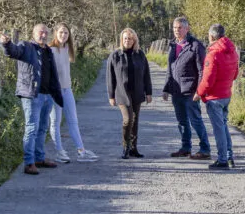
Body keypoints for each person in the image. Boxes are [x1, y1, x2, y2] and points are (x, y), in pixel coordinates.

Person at [0, 24, 64, 175]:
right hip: (31, 95)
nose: (43, 35)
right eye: (41, 32)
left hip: (47, 96)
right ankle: (29, 163)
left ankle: (39, 158)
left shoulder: (48, 50)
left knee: (42, 128)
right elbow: (13, 52)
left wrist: (56, 94)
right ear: (34, 33)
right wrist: (7, 44)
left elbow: (53, 74)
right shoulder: (26, 46)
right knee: (32, 128)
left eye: (46, 33)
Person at [48, 23, 99, 163]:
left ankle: (81, 151)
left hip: (67, 90)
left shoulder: (68, 48)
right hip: (54, 92)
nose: (63, 35)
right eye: (61, 32)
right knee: (55, 122)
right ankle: (59, 151)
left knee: (73, 121)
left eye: (66, 33)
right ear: (55, 33)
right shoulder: (50, 50)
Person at [162, 16, 210, 159]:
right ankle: (185, 148)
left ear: (187, 28)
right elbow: (170, 69)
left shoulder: (196, 45)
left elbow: (202, 71)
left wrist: (199, 91)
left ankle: (205, 149)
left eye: (180, 28)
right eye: (175, 28)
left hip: (191, 92)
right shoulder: (172, 46)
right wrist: (166, 88)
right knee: (181, 122)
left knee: (195, 120)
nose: (177, 30)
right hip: (176, 91)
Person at [194, 24, 239, 169]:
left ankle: (222, 160)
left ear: (211, 36)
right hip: (226, 94)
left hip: (214, 97)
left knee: (218, 129)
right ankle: (229, 156)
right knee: (224, 126)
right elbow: (235, 74)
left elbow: (208, 79)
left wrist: (199, 93)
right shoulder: (232, 52)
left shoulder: (213, 54)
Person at [107, 28, 152, 159]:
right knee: (128, 119)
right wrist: (111, 95)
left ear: (134, 40)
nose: (128, 40)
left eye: (130, 38)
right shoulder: (115, 55)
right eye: (125, 38)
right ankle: (125, 147)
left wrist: (148, 92)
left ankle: (133, 148)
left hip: (137, 92)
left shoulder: (140, 54)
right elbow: (110, 77)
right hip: (122, 93)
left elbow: (146, 75)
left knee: (135, 120)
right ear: (122, 40)